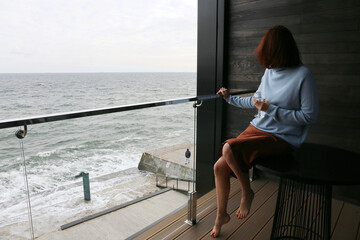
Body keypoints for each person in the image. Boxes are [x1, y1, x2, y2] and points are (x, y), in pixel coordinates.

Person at [210, 25, 319, 238]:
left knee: (228, 148)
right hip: (257, 128)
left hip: (282, 137)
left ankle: (247, 192)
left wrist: (271, 110)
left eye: (268, 52)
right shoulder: (269, 71)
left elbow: (309, 116)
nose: (265, 58)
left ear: (280, 50)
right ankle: (220, 216)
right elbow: (256, 102)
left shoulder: (303, 75)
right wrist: (229, 98)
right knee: (219, 167)